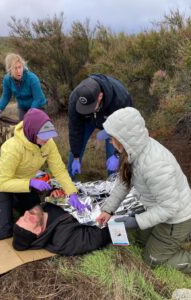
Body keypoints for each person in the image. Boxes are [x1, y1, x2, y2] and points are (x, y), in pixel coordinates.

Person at [96, 107, 191, 273]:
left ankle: (184, 249)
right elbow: (124, 182)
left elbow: (170, 207)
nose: (110, 142)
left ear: (124, 139)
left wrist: (136, 221)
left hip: (176, 218)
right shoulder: (133, 151)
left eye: (112, 138)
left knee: (151, 260)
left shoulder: (155, 164)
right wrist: (108, 209)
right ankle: (171, 240)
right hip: (157, 208)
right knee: (140, 240)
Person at [0, 108, 85, 240]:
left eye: (49, 135)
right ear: (32, 132)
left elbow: (59, 170)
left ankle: (14, 201)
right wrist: (31, 183)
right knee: (3, 233)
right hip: (1, 184)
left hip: (23, 183)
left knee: (39, 214)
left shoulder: (48, 144)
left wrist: (72, 192)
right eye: (44, 136)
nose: (48, 139)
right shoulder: (12, 148)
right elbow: (2, 182)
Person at [68, 73, 133, 179]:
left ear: (100, 96)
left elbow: (125, 127)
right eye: (84, 107)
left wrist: (117, 154)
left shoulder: (120, 99)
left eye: (90, 107)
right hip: (88, 120)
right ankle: (69, 183)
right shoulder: (75, 99)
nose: (86, 110)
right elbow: (75, 130)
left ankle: (112, 183)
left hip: (112, 124)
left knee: (111, 151)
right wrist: (76, 156)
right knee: (76, 149)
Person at [13, 202, 111, 255]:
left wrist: (56, 193)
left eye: (22, 217)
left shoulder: (41, 210)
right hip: (107, 206)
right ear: (38, 231)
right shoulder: (62, 239)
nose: (26, 212)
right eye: (28, 219)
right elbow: (97, 237)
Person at [0, 53, 46, 121]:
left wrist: (30, 114)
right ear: (10, 70)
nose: (18, 71)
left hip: (38, 107)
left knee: (36, 129)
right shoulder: (7, 79)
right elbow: (6, 96)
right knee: (22, 130)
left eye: (20, 67)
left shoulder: (32, 78)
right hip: (22, 108)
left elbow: (38, 99)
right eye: (15, 68)